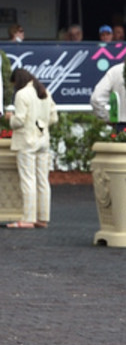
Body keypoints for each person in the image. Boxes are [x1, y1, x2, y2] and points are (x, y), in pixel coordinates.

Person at [6, 68, 58, 229]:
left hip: (27, 141)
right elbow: (54, 118)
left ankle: (28, 218)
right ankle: (42, 218)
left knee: (28, 180)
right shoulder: (45, 92)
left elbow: (19, 121)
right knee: (43, 180)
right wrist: (41, 125)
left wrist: (10, 118)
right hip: (43, 140)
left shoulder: (22, 94)